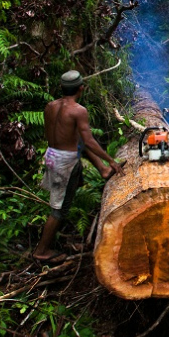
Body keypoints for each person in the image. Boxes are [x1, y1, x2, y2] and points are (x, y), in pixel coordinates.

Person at [33, 70, 123, 263]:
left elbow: (64, 136)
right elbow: (90, 141)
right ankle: (42, 250)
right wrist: (111, 160)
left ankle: (102, 170)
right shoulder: (78, 110)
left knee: (79, 145)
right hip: (65, 163)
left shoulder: (50, 106)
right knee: (59, 209)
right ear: (81, 88)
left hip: (52, 155)